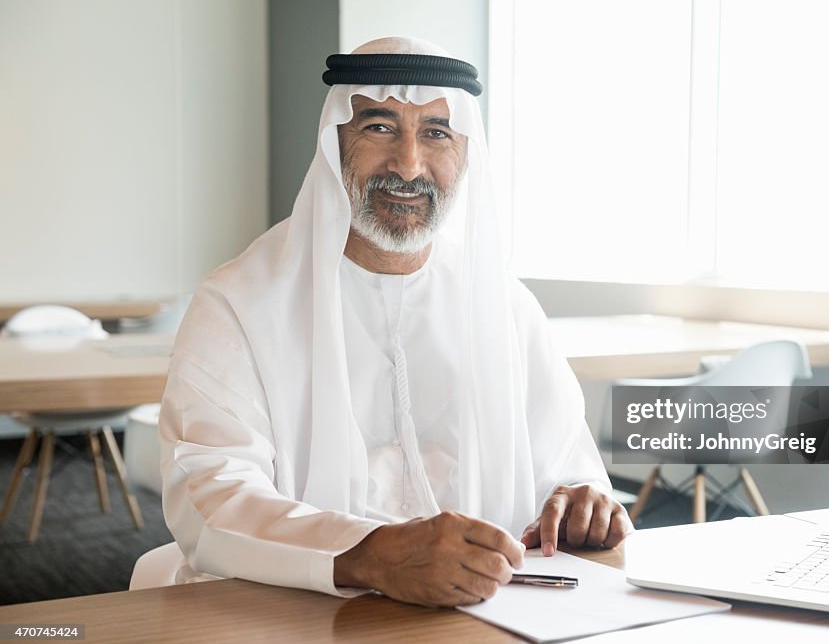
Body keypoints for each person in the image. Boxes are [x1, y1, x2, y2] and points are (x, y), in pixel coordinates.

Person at [159, 36, 631, 607]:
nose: (409, 164)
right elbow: (212, 497)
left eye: (435, 133)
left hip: (494, 614)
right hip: (301, 615)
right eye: (379, 128)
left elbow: (566, 467)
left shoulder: (506, 305)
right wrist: (371, 555)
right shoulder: (237, 303)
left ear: (465, 151)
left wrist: (583, 501)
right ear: (336, 143)